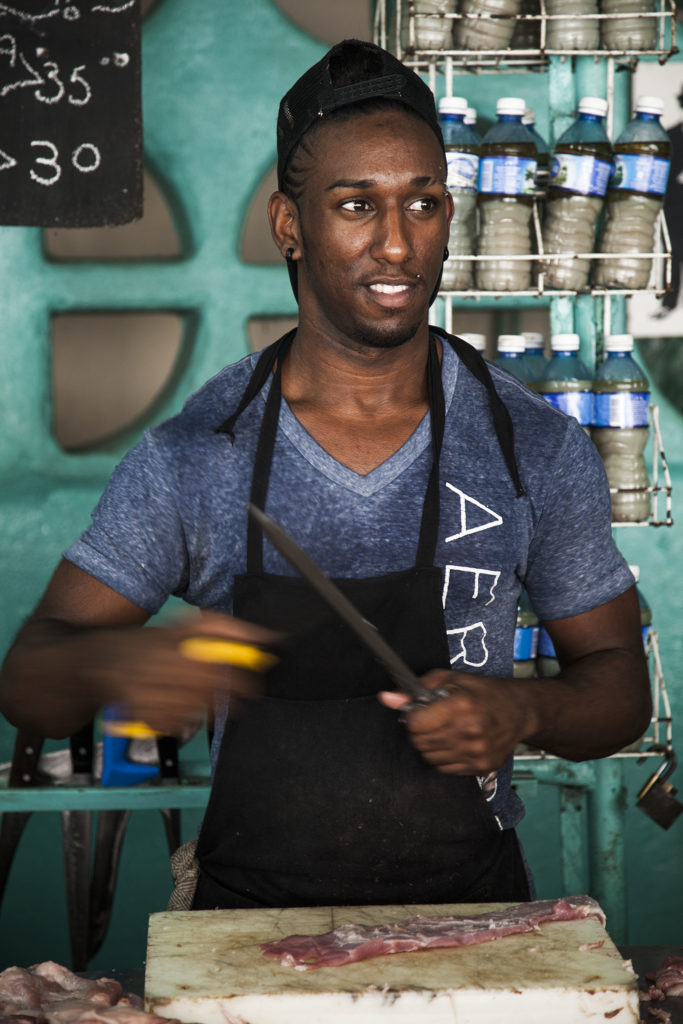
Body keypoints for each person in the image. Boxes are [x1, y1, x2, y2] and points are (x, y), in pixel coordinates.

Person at [0, 40, 650, 910]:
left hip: (469, 915)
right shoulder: (200, 454)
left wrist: (522, 712)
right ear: (288, 226)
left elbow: (617, 688)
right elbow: (28, 686)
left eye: (422, 202)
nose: (395, 243)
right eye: (356, 205)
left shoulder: (528, 444)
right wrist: (120, 659)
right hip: (247, 923)